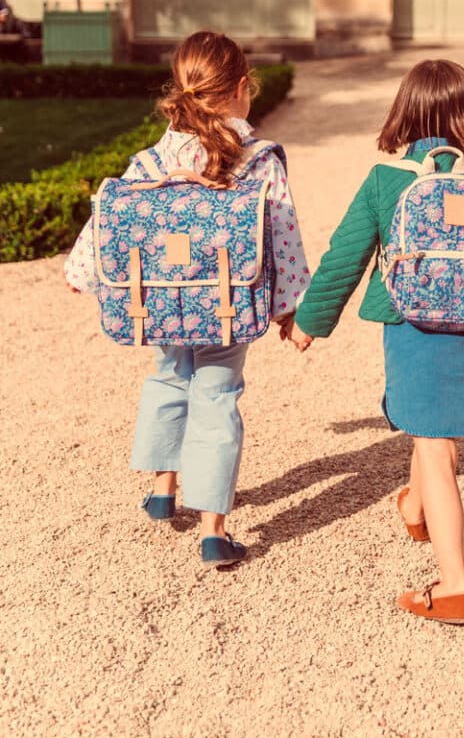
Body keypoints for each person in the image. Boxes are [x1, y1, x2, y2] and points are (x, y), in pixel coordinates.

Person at [282, 58, 464, 624]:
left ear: (403, 113)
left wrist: (309, 320)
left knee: (434, 445)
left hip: (410, 326)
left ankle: (456, 585)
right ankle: (415, 508)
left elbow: (346, 255)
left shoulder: (387, 182)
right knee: (434, 427)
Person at [64, 30, 310, 568]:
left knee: (169, 376)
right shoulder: (258, 160)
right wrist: (291, 309)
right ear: (244, 88)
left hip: (164, 304)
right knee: (217, 396)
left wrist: (81, 270)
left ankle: (162, 489)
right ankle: (213, 530)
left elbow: (113, 214)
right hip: (226, 302)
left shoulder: (155, 157)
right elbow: (283, 235)